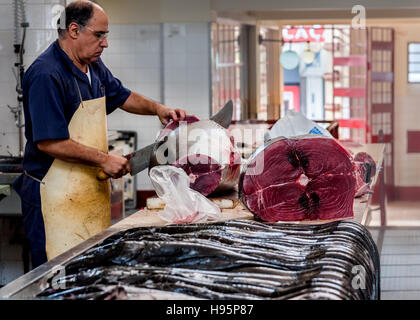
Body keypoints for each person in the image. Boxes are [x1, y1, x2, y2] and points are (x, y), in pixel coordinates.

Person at [12, 0, 187, 269]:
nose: (105, 43)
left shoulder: (93, 66)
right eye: (99, 35)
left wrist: (157, 109)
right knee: (56, 274)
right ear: (73, 30)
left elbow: (122, 96)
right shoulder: (46, 74)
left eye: (106, 35)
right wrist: (103, 160)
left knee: (90, 271)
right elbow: (49, 142)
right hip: (52, 196)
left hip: (88, 188)